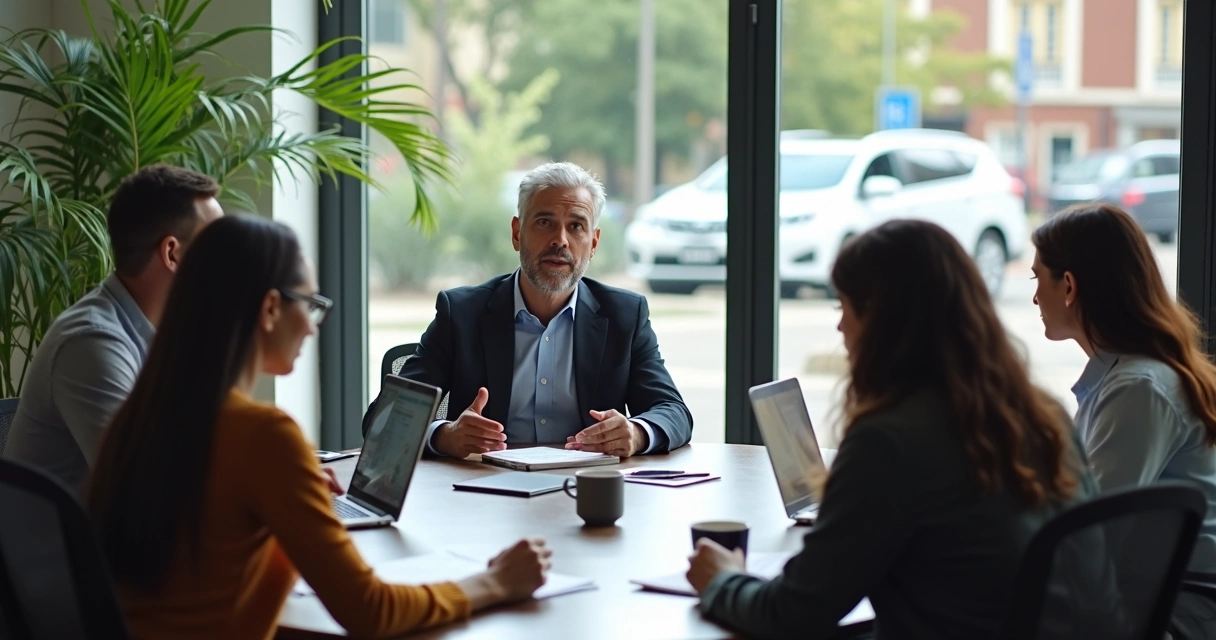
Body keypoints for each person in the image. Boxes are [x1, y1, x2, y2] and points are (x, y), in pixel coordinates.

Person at [85, 215, 552, 639]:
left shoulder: (143, 412)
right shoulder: (263, 434)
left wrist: (294, 500)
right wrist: (495, 581)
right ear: (270, 309)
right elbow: (372, 611)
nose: (312, 328)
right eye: (309, 305)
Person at [686, 220, 1094, 639]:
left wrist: (723, 579)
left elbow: (793, 614)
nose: (841, 327)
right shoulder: (1043, 414)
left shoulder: (888, 440)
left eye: (845, 307)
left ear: (884, 321)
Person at [365, 161, 692, 459]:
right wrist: (445, 436)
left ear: (593, 243)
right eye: (544, 222)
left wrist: (635, 433)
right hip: (487, 493)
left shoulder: (625, 315)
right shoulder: (462, 314)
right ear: (517, 233)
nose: (560, 240)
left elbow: (673, 412)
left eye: (576, 226)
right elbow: (383, 418)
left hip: (588, 490)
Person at [1031, 203, 1216, 639]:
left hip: (1183, 610)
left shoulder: (1138, 390)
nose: (1036, 297)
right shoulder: (1128, 379)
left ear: (1070, 286)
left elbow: (1088, 538)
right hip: (1161, 599)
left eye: (1038, 278)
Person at [5, 165, 223, 490]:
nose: (228, 259)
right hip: (72, 541)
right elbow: (145, 487)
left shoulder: (168, 334)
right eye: (217, 245)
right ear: (172, 254)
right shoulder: (91, 341)